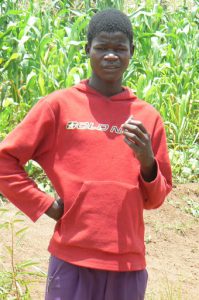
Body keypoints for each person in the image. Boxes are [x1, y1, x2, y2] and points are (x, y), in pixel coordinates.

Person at [0, 8, 172, 300]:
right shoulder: (59, 106)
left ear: (133, 50)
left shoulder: (147, 117)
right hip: (71, 257)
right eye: (102, 47)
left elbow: (156, 200)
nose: (110, 55)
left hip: (127, 261)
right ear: (87, 49)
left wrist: (147, 162)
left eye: (119, 48)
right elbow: (5, 161)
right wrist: (47, 206)